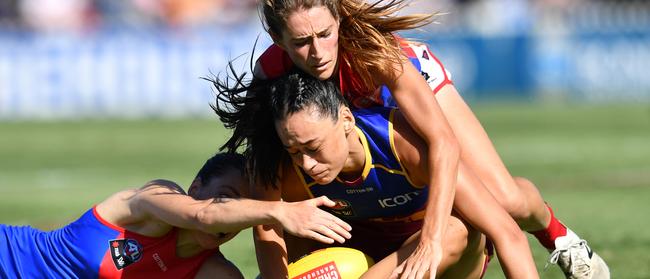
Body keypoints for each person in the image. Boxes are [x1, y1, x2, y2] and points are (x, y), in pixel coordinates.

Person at [244, 0, 609, 278]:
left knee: (502, 199)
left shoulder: (376, 53)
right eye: (301, 42)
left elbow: (443, 143)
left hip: (412, 97)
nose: (319, 52)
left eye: (325, 34)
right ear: (278, 39)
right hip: (339, 127)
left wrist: (431, 240)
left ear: (338, 19)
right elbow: (263, 183)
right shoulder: (269, 78)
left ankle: (556, 234)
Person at [212, 70, 538, 278]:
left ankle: (552, 228)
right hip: (364, 259)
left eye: (313, 147)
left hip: (439, 263)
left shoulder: (403, 145)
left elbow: (506, 234)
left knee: (461, 226)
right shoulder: (286, 168)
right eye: (294, 150)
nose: (307, 163)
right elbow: (268, 235)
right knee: (293, 221)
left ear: (347, 121)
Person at [0, 152, 352, 278]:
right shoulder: (157, 198)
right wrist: (277, 210)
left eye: (244, 212)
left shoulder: (215, 273)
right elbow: (203, 216)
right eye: (229, 200)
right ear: (196, 187)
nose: (236, 217)